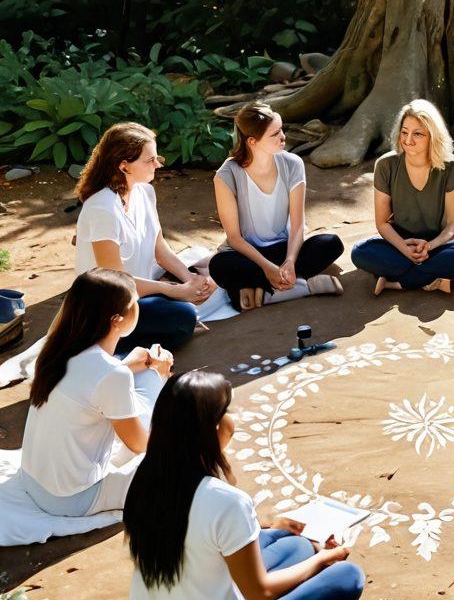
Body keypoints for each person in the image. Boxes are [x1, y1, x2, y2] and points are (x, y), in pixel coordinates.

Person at [123, 370, 365, 600]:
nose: (231, 419)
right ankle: (318, 564)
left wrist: (273, 530)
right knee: (348, 577)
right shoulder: (226, 501)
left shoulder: (146, 476)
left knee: (295, 545)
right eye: (226, 412)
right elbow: (259, 594)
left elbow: (201, 535)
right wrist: (325, 560)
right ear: (212, 428)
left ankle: (298, 549)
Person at [20, 269, 172, 517]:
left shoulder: (56, 350)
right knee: (179, 453)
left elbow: (88, 383)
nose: (138, 307)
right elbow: (139, 445)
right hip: (73, 499)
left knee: (142, 380)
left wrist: (130, 366)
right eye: (135, 302)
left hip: (31, 481)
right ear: (117, 320)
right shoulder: (113, 375)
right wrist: (159, 376)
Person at [75, 123, 211, 352]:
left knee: (208, 274)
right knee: (185, 315)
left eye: (157, 158)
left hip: (139, 292)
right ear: (124, 166)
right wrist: (172, 290)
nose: (158, 164)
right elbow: (116, 283)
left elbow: (160, 248)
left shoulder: (144, 191)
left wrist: (189, 280)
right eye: (150, 160)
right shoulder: (101, 208)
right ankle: (108, 345)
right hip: (109, 306)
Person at [208, 103, 344, 311]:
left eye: (281, 130)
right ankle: (303, 287)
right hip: (248, 254)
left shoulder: (293, 164)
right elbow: (234, 238)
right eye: (274, 134)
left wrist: (290, 261)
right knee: (219, 266)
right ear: (252, 141)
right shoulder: (226, 175)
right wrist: (267, 267)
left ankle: (260, 293)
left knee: (330, 243)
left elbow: (298, 226)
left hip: (285, 248)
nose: (283, 137)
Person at [351, 100, 454, 295]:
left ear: (433, 136)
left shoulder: (452, 168)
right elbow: (382, 223)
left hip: (437, 245)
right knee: (360, 253)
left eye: (418, 134)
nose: (408, 140)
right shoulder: (386, 165)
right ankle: (434, 278)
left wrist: (429, 246)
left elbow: (453, 226)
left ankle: (398, 282)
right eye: (404, 132)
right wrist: (405, 249)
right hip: (398, 243)